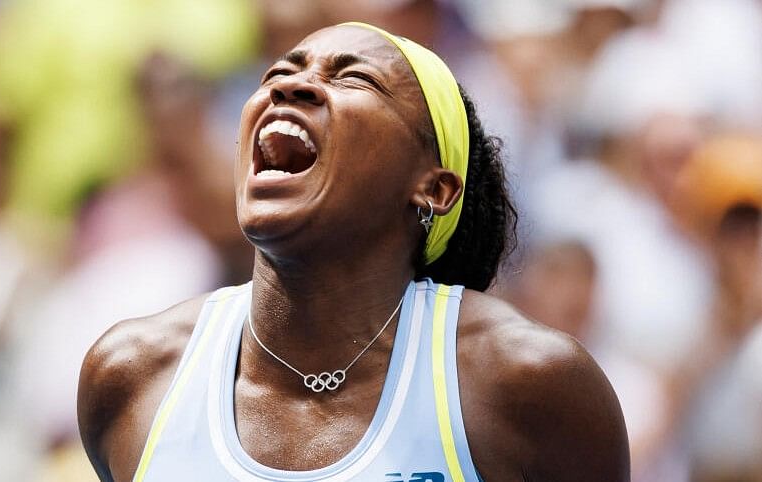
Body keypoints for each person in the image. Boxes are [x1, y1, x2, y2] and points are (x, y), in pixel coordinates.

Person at [78, 23, 629, 481]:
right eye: (279, 73)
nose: (293, 88)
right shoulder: (130, 375)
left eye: (355, 78)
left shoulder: (526, 384)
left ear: (433, 190)